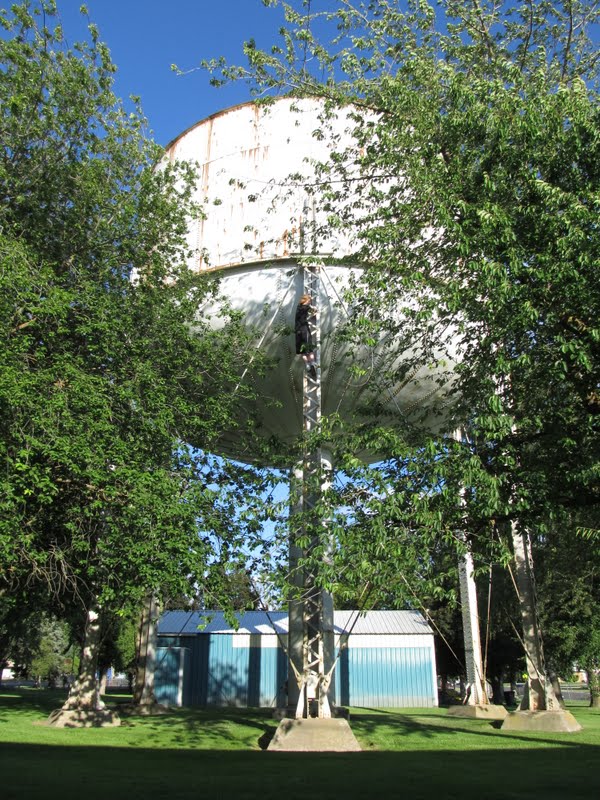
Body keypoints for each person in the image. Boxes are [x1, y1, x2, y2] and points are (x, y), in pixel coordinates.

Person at [295, 294, 317, 378]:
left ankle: (307, 364)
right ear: (307, 300)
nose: (310, 302)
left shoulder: (298, 307)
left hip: (297, 330)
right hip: (304, 329)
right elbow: (314, 310)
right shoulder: (306, 307)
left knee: (302, 350)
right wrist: (314, 309)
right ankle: (312, 362)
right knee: (309, 348)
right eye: (309, 301)